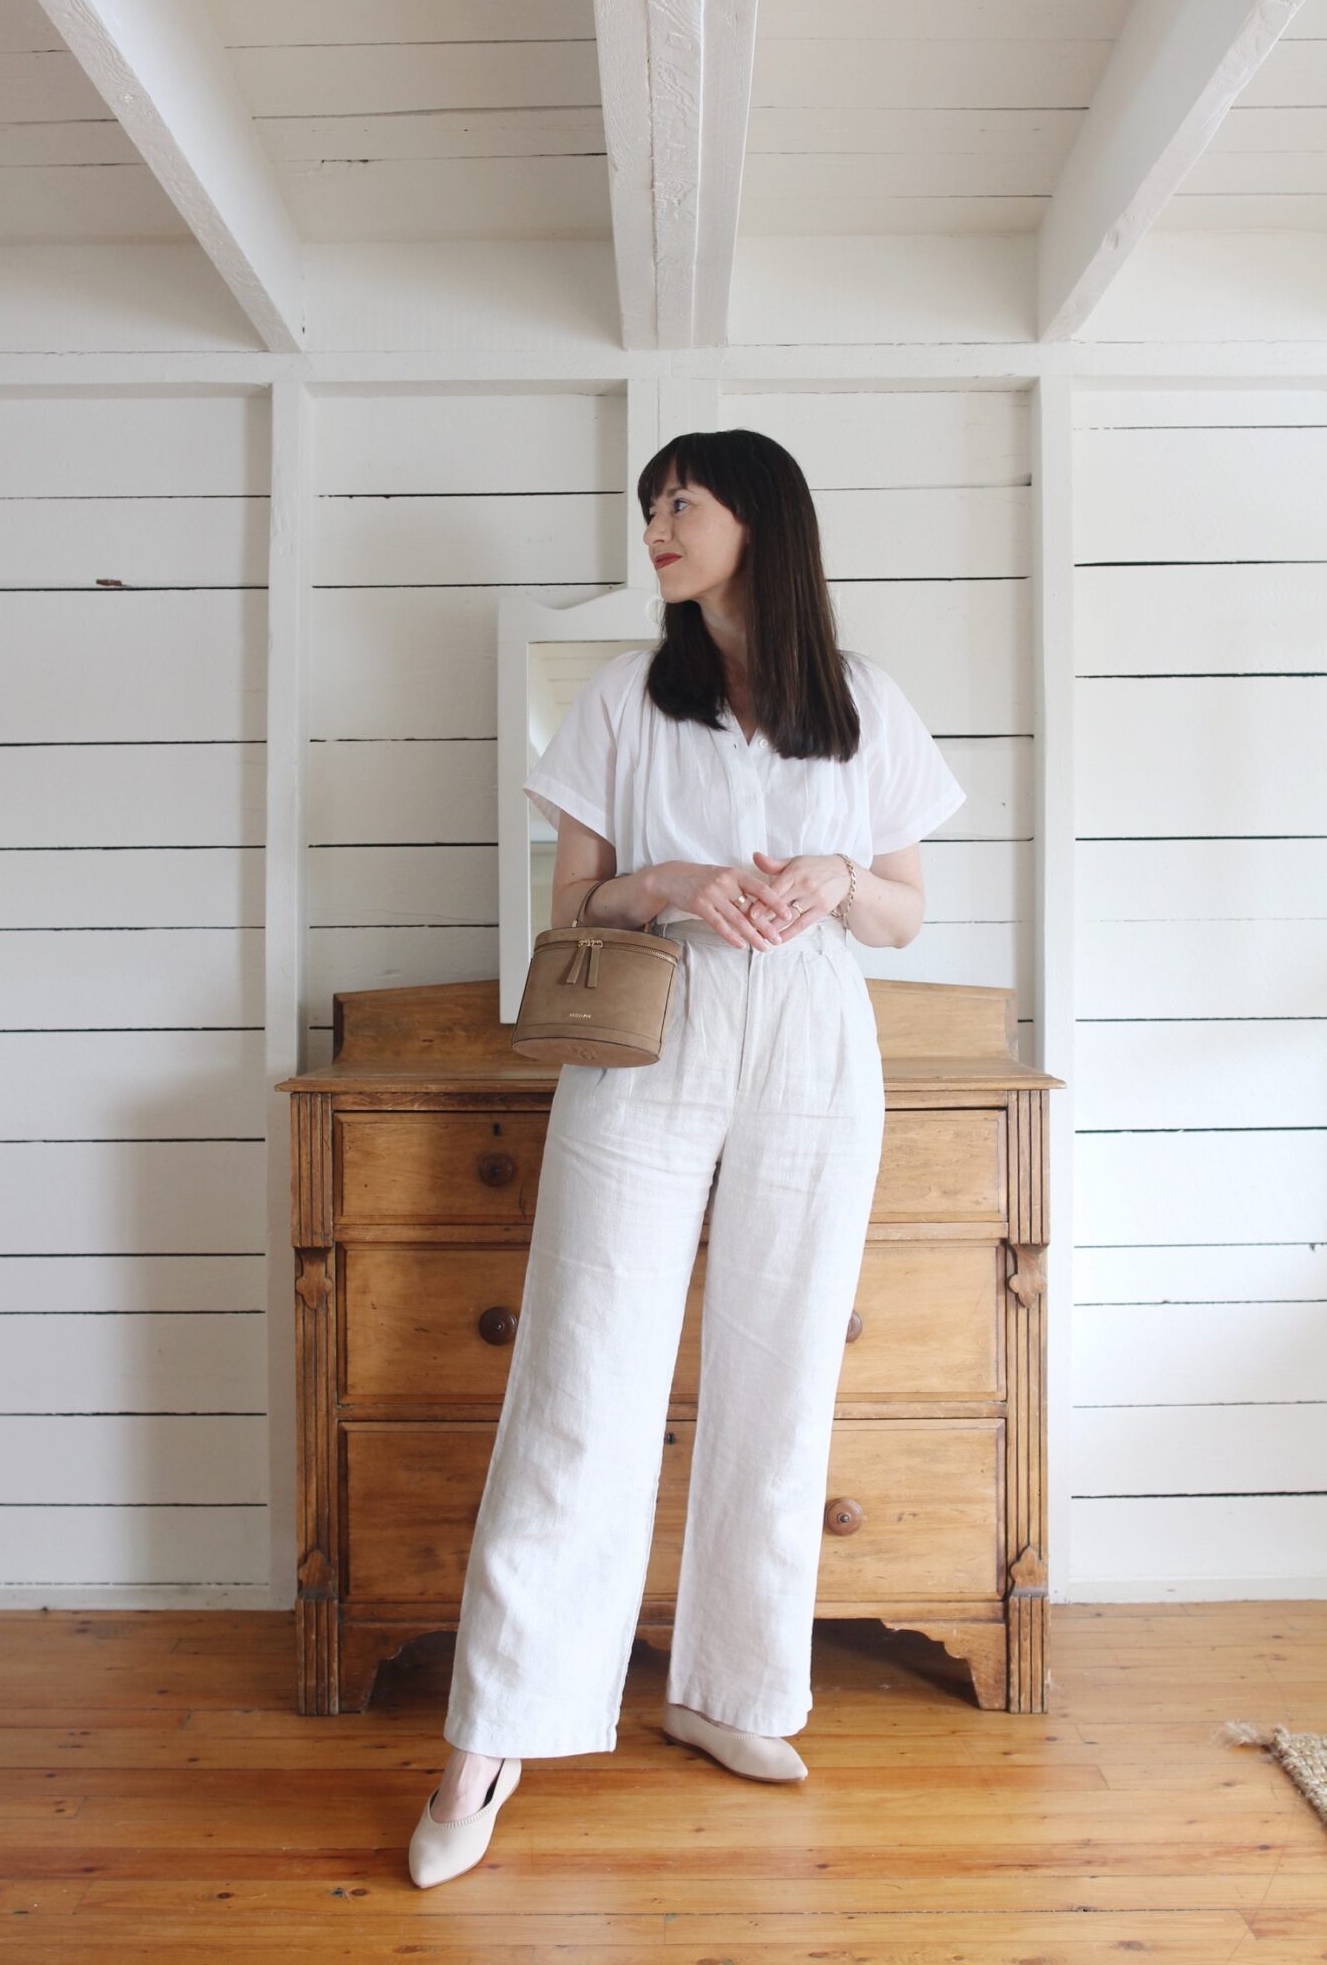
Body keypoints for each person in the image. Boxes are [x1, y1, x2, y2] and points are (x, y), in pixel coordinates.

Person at [408, 428, 967, 1888]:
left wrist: (842, 877)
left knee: (780, 1376)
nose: (655, 524)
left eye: (681, 502)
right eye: (647, 504)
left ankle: (730, 1694)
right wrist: (667, 885)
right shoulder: (619, 699)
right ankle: (491, 1736)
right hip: (652, 1034)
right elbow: (573, 911)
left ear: (759, 522)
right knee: (584, 1375)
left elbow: (907, 912)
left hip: (814, 1040)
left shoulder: (863, 705)